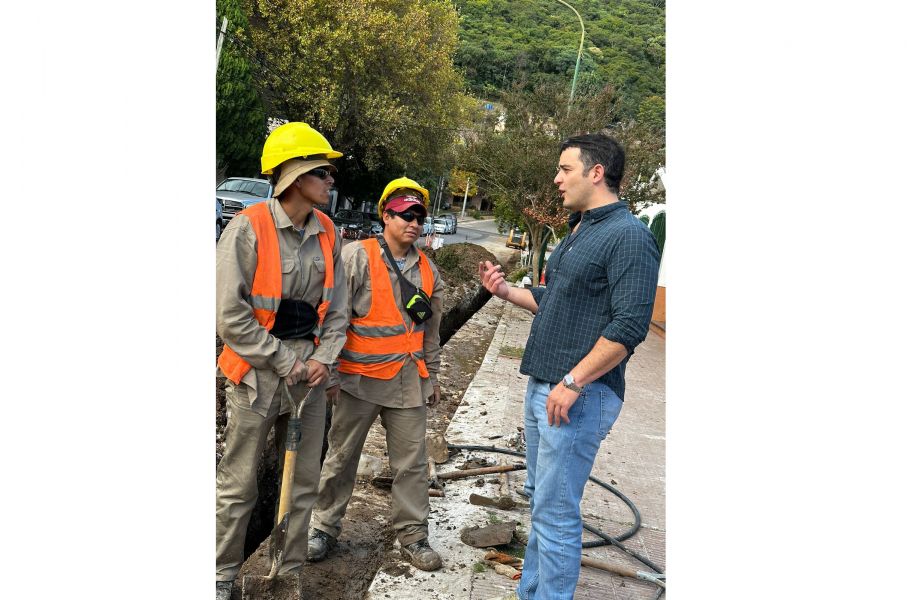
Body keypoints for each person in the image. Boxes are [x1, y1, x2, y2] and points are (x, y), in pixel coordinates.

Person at [480, 133, 660, 600]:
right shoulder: (581, 229)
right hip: (549, 387)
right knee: (543, 506)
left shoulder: (629, 236)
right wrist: (504, 292)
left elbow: (630, 324)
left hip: (578, 395)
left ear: (595, 172)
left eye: (565, 169)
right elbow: (553, 301)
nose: (557, 179)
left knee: (557, 514)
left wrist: (574, 380)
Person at [215, 122, 349, 600]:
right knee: (239, 482)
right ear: (296, 175)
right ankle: (222, 574)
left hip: (308, 380)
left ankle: (285, 572)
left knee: (303, 482)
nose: (332, 180)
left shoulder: (330, 232)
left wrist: (323, 360)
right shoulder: (247, 229)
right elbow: (230, 317)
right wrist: (282, 360)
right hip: (256, 376)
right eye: (324, 171)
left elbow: (337, 311)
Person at [307, 177, 445, 571]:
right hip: (358, 381)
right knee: (341, 457)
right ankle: (324, 528)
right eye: (405, 214)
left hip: (408, 382)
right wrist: (330, 374)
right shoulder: (357, 257)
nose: (414, 223)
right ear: (386, 215)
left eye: (420, 216)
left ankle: (414, 536)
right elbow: (332, 319)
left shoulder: (429, 272)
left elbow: (429, 334)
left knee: (412, 464)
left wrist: (432, 376)